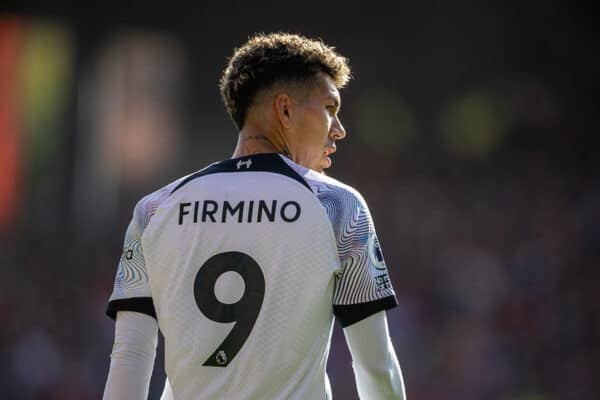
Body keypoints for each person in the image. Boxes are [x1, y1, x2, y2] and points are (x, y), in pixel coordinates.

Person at [103, 32, 406, 400]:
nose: (339, 130)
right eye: (330, 108)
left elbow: (131, 354)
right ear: (285, 110)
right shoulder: (337, 205)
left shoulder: (154, 210)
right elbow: (376, 366)